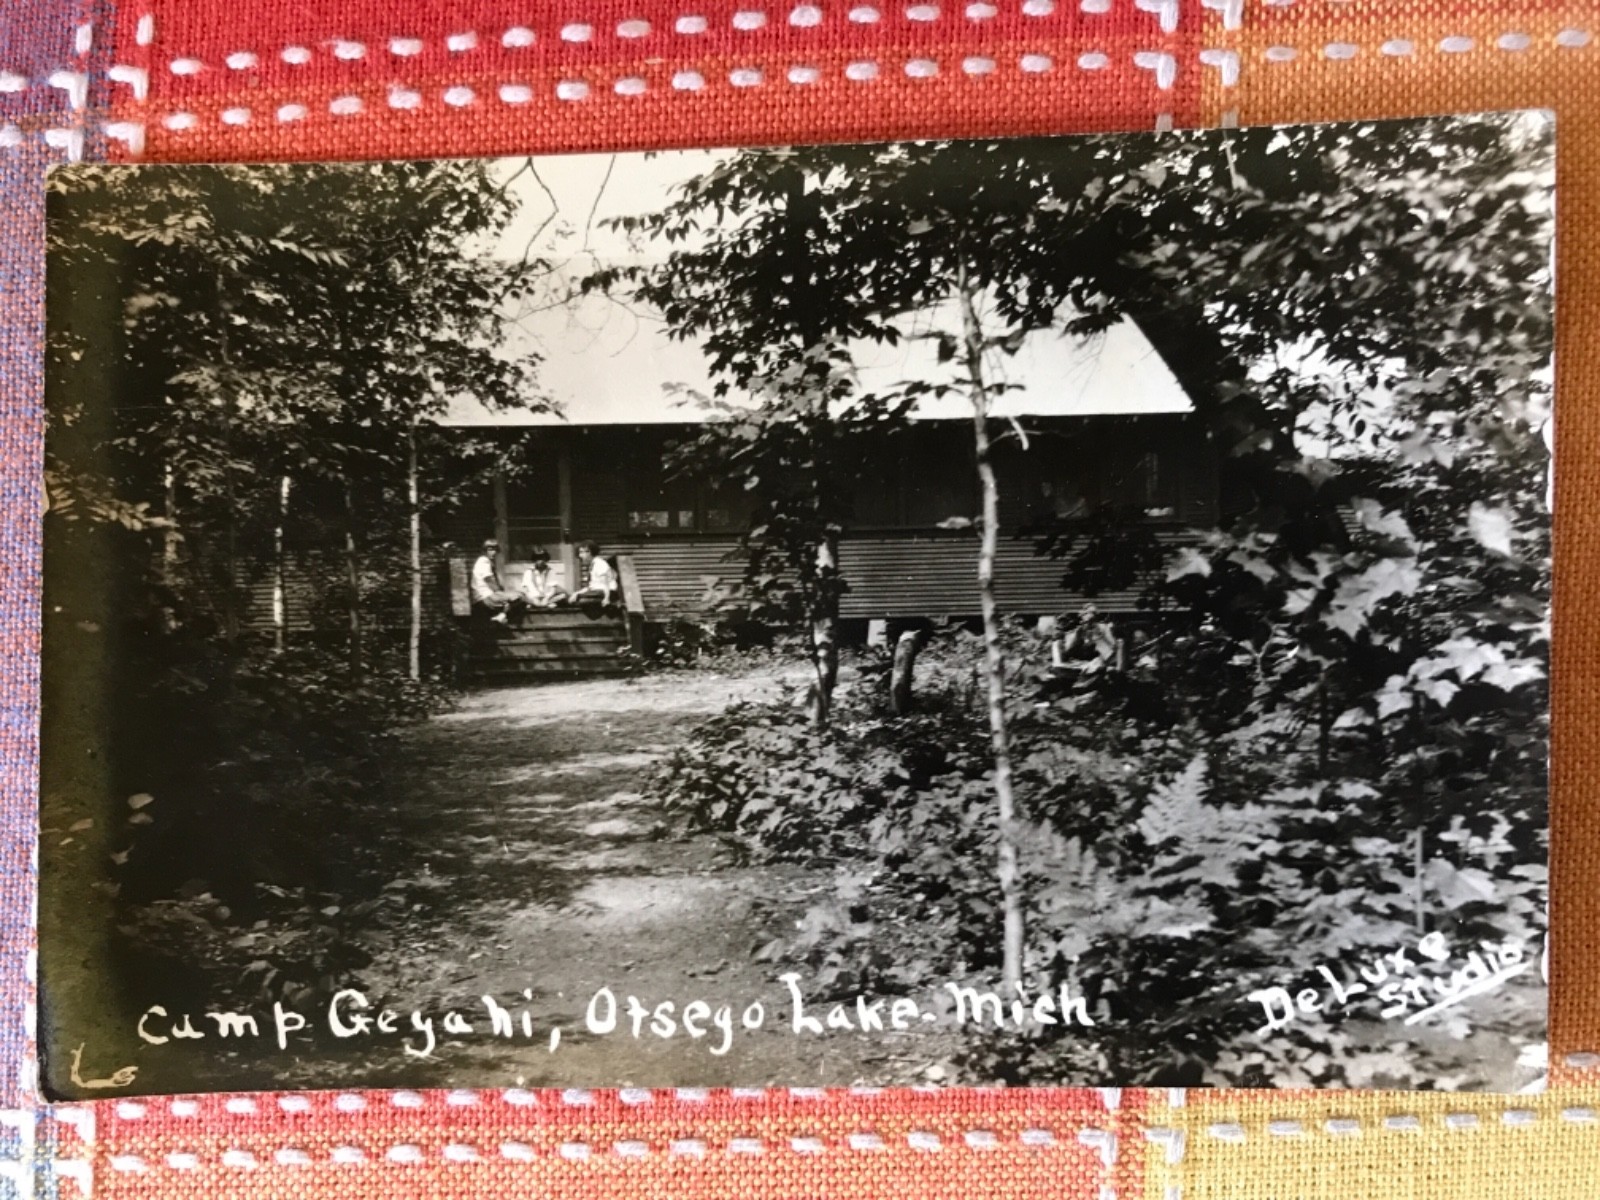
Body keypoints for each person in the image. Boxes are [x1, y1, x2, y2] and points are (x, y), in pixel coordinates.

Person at [470, 538, 526, 625]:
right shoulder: (483, 561)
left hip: (485, 596)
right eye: (490, 550)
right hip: (485, 597)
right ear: (484, 550)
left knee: (515, 597)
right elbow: (489, 580)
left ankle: (501, 616)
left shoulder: (485, 561)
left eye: (495, 550)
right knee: (519, 597)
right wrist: (500, 593)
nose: (493, 552)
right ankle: (502, 616)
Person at [570, 541, 619, 608]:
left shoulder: (599, 563)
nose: (580, 555)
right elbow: (590, 587)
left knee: (582, 601)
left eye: (581, 552)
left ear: (589, 552)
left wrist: (606, 598)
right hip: (597, 592)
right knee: (575, 598)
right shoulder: (592, 565)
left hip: (607, 592)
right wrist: (576, 593)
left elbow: (605, 582)